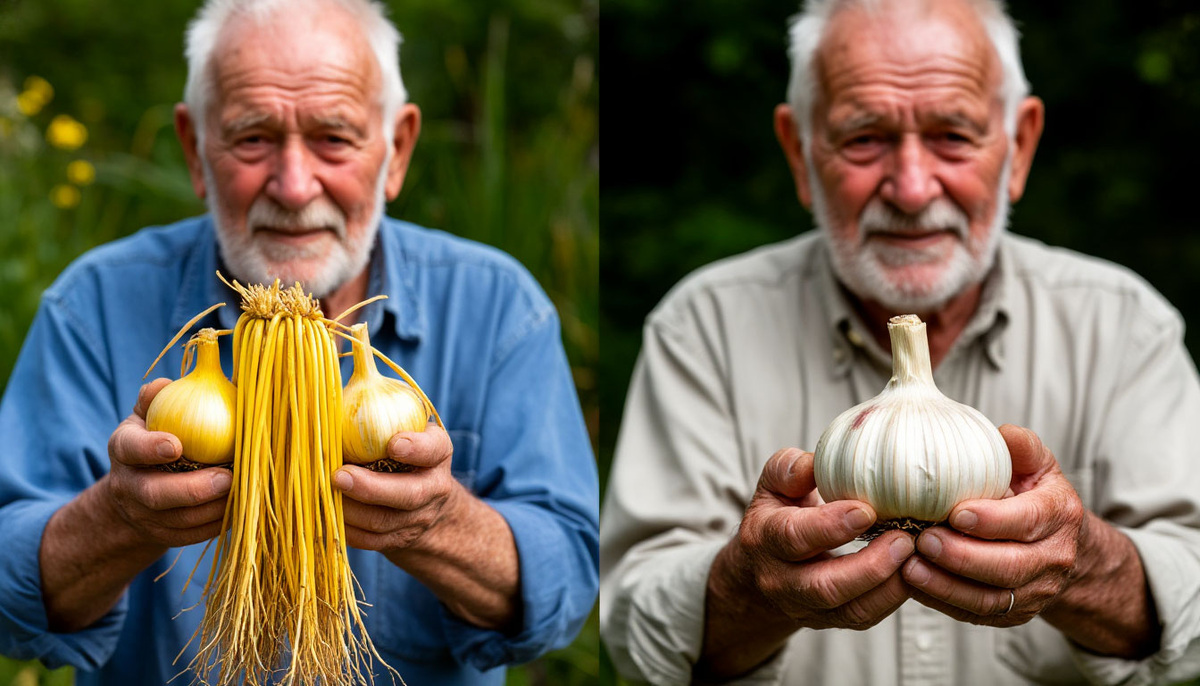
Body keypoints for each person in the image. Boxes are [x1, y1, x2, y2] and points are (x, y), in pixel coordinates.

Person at [600, 0, 1200, 684]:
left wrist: (1086, 563)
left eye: (952, 135)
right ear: (799, 152)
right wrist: (747, 585)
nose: (912, 189)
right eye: (864, 138)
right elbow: (632, 634)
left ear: (1020, 145)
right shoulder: (702, 327)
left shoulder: (1125, 326)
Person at [0, 0, 599, 684]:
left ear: (396, 151)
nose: (292, 186)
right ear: (196, 151)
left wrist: (436, 523)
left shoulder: (498, 308)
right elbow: (5, 596)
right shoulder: (94, 306)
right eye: (252, 137)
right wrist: (118, 518)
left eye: (334, 139)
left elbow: (566, 590)